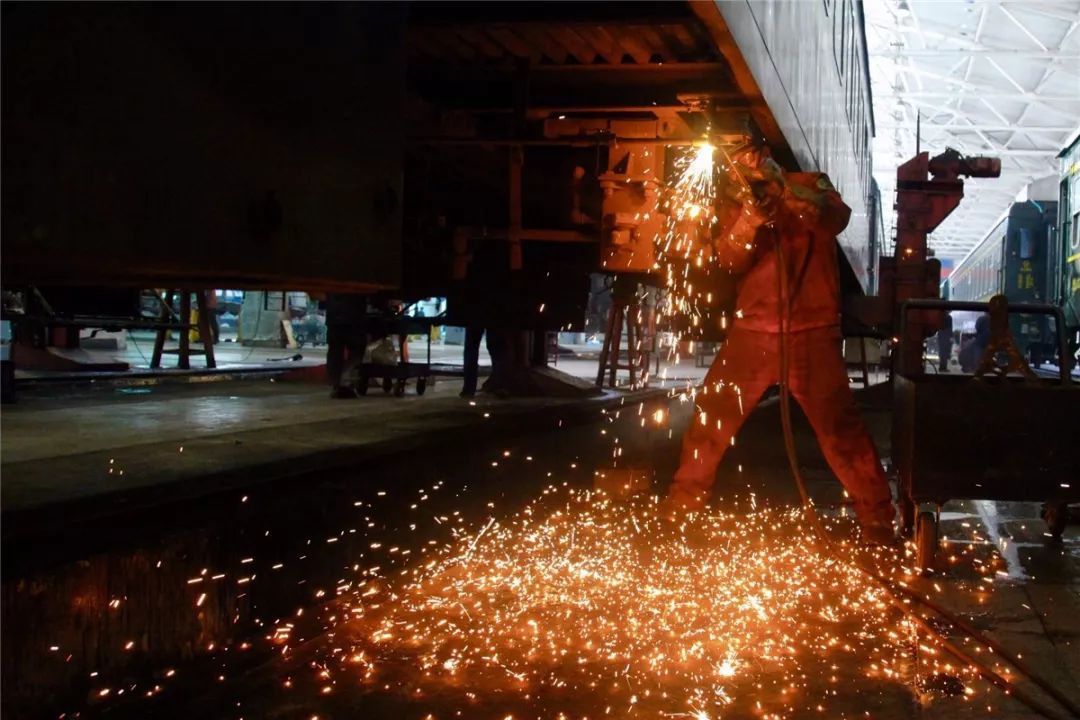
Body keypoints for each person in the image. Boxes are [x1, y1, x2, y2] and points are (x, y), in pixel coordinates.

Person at [667, 145, 895, 542]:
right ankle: (680, 509)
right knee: (712, 419)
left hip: (812, 332)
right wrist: (748, 223)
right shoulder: (735, 201)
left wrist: (782, 186)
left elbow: (833, 217)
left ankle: (877, 519)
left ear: (761, 152)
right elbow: (729, 259)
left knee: (840, 431)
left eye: (746, 155)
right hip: (752, 333)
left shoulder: (810, 184)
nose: (741, 165)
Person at [324, 293, 369, 399]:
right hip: (354, 318)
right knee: (356, 349)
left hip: (334, 317)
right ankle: (346, 382)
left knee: (335, 351)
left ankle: (336, 384)